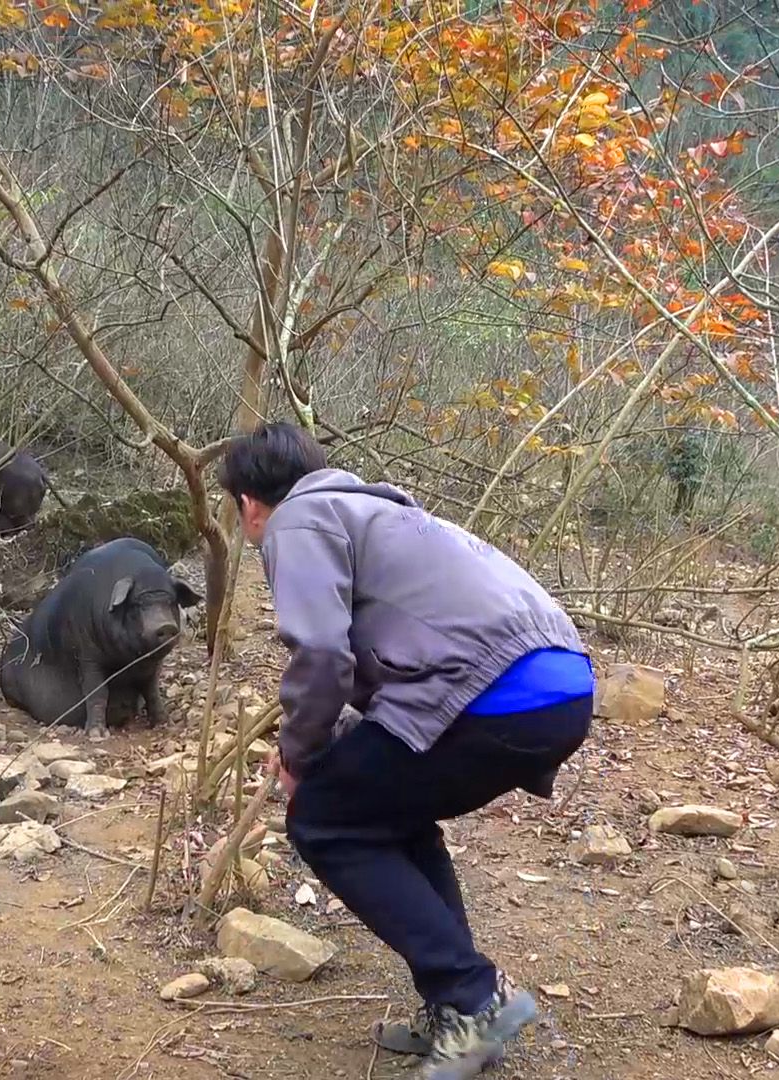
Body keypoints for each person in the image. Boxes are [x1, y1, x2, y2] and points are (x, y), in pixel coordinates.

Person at [217, 422, 595, 1080]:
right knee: (389, 812)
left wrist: (300, 759)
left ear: (249, 502)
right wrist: (337, 744)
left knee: (325, 819)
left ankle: (474, 1000)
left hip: (491, 690)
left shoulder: (298, 520)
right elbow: (398, 657)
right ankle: (458, 1009)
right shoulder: (378, 511)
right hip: (558, 684)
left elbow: (321, 656)